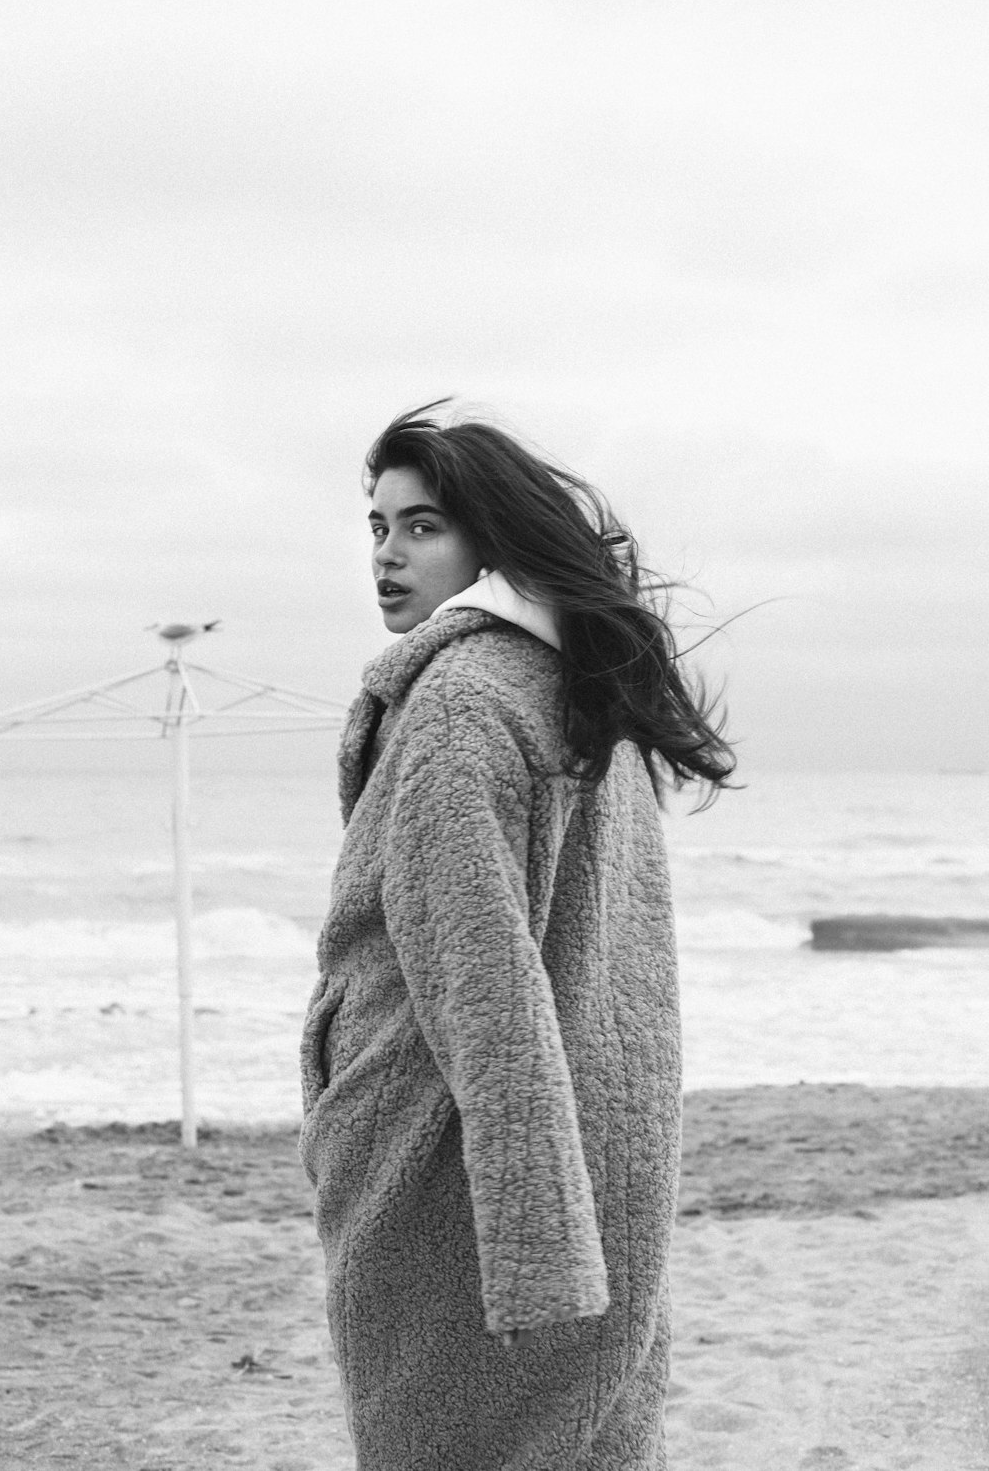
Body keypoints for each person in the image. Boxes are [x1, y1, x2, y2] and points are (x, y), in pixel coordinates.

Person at [299, 401, 734, 1470]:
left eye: (422, 526)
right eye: (377, 525)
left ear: (489, 538)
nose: (388, 555)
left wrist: (536, 1251)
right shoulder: (577, 686)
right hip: (602, 1137)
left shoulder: (458, 702)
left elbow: (482, 983)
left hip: (453, 1165)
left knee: (447, 1440)